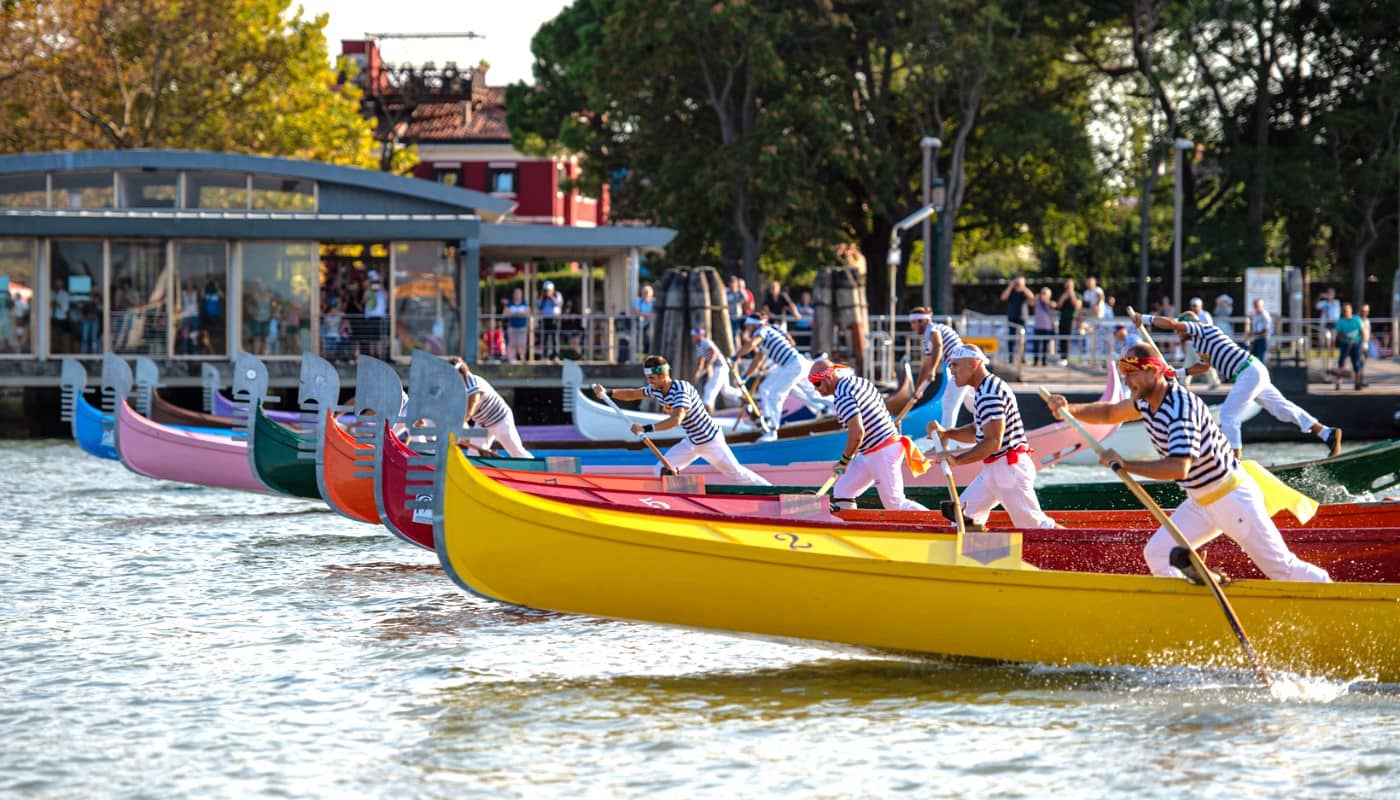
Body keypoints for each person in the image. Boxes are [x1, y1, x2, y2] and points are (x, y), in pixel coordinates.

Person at [1045, 344, 1329, 583]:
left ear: (1154, 371)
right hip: (1200, 502)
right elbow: (1109, 412)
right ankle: (1203, 592)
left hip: (1232, 499)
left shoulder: (1180, 409)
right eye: (1124, 375)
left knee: (1281, 567)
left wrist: (1124, 463)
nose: (1127, 381)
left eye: (1132, 375)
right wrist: (1069, 410)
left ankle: (1330, 591)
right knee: (1158, 554)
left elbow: (1178, 468)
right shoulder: (1145, 400)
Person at [1137, 310, 1341, 458]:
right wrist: (1177, 372)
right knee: (1283, 410)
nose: (1177, 334)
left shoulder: (1202, 329)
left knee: (1228, 415)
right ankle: (1326, 432)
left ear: (1187, 325)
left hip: (1248, 373)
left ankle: (1235, 463)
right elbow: (1204, 367)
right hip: (1253, 370)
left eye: (1180, 330)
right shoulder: (1200, 343)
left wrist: (1144, 319)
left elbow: (1172, 323)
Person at [927, 344, 1056, 529]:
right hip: (996, 469)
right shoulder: (986, 388)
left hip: (1008, 470)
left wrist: (957, 460)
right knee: (962, 519)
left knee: (1038, 526)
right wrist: (947, 433)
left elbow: (993, 441)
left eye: (955, 365)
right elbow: (976, 430)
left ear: (973, 364)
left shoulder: (989, 393)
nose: (952, 371)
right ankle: (977, 554)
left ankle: (1082, 551)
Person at [597, 355, 770, 485]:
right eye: (648, 378)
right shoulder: (656, 388)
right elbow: (634, 393)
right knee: (661, 470)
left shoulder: (681, 391)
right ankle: (677, 499)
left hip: (710, 440)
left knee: (736, 474)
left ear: (664, 375)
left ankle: (770, 490)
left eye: (652, 378)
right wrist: (608, 392)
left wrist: (646, 429)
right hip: (692, 442)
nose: (649, 382)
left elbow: (676, 420)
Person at [808, 358, 926, 511]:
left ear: (829, 377)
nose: (816, 389)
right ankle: (847, 528)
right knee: (844, 490)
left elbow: (857, 432)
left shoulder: (842, 396)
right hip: (872, 451)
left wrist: (844, 460)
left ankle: (943, 524)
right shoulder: (860, 382)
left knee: (895, 504)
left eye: (817, 384)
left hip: (882, 450)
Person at [733, 314, 804, 440]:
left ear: (755, 324)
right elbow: (757, 361)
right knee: (766, 387)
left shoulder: (762, 331)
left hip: (793, 364)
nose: (747, 329)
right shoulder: (763, 339)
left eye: (748, 326)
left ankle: (773, 431)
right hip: (789, 365)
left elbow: (751, 344)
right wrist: (745, 377)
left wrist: (736, 356)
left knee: (775, 396)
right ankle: (825, 409)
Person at [450, 357, 532, 459]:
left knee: (516, 452)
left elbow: (470, 410)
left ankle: (538, 472)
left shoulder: (474, 383)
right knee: (473, 455)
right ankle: (480, 473)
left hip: (500, 420)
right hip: (482, 424)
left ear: (460, 374)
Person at [908, 307, 969, 429]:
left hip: (964, 368)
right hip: (967, 367)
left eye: (914, 323)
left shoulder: (932, 330)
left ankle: (945, 442)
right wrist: (918, 390)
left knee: (948, 402)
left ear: (923, 321)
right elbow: (926, 364)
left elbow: (938, 345)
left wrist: (933, 370)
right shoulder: (930, 334)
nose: (912, 326)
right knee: (971, 403)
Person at [691, 327, 741, 412]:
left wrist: (709, 364)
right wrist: (696, 376)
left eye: (694, 336)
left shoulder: (705, 342)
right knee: (726, 391)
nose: (692, 338)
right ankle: (743, 397)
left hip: (720, 367)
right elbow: (701, 363)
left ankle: (708, 410)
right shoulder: (698, 346)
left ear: (699, 335)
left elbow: (714, 353)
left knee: (709, 388)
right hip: (719, 368)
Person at [1182, 298, 1221, 391]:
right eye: (1192, 306)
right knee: (1188, 364)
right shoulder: (1189, 316)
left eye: (1195, 306)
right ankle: (1183, 383)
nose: (1193, 307)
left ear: (1200, 306)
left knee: (1206, 363)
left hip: (1202, 345)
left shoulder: (1205, 315)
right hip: (1191, 344)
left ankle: (1215, 381)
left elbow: (1209, 328)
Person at [999, 276, 1034, 362]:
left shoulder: (1024, 292)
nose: (1018, 285)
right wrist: (1010, 286)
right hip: (1012, 318)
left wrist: (1023, 287)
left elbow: (1032, 298)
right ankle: (1011, 357)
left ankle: (1022, 357)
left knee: (1022, 339)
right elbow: (1003, 297)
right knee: (1011, 338)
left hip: (1022, 318)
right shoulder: (1011, 291)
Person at [1333, 302, 1363, 391]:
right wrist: (1346, 337)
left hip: (1355, 344)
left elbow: (1361, 331)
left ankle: (1357, 383)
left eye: (1347, 310)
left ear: (1351, 311)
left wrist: (1363, 342)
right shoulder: (1340, 321)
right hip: (1345, 344)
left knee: (1356, 364)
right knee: (1341, 363)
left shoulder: (1356, 319)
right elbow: (1338, 335)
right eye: (1344, 311)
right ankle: (1338, 383)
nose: (1346, 312)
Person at [364, 270, 389, 360]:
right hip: (370, 318)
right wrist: (369, 286)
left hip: (380, 318)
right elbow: (364, 299)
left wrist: (380, 284)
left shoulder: (382, 292)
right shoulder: (368, 291)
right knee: (371, 339)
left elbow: (387, 298)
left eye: (376, 282)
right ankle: (372, 356)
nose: (375, 284)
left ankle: (379, 356)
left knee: (379, 339)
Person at [1055, 278, 1080, 366]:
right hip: (1062, 319)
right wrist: (1065, 296)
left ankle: (1066, 358)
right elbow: (1058, 305)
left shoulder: (1077, 295)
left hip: (1071, 320)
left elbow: (1077, 305)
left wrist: (1072, 295)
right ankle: (1062, 357)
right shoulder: (1063, 295)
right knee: (1062, 338)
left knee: (1068, 338)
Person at [536, 280, 563, 360]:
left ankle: (555, 356)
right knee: (545, 338)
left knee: (555, 338)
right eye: (546, 291)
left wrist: (551, 297)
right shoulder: (542, 297)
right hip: (545, 319)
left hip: (554, 319)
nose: (547, 292)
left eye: (549, 290)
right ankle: (544, 356)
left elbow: (558, 303)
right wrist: (542, 297)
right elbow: (538, 305)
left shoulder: (557, 295)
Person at [503, 287, 530, 363]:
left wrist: (521, 313)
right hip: (512, 327)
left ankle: (522, 359)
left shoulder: (525, 303)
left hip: (522, 327)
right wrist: (514, 314)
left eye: (519, 293)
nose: (517, 295)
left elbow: (528, 313)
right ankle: (511, 360)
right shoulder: (510, 303)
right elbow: (505, 314)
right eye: (516, 293)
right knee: (512, 344)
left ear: (521, 295)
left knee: (522, 343)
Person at [1031, 287, 1056, 366]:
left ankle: (1044, 361)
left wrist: (1046, 301)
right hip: (1038, 327)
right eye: (1042, 293)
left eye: (1045, 293)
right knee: (1036, 346)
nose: (1043, 295)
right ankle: (1035, 361)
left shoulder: (1050, 303)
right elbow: (1031, 303)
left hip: (1047, 328)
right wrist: (1036, 298)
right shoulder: (1037, 303)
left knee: (1045, 346)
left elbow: (1054, 305)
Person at [632, 284, 655, 354]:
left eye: (648, 294)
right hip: (640, 325)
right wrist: (647, 316)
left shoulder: (654, 302)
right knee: (643, 341)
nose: (646, 296)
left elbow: (655, 313)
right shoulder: (638, 301)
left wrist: (648, 316)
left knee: (650, 341)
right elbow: (636, 311)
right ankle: (643, 356)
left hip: (651, 325)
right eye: (645, 293)